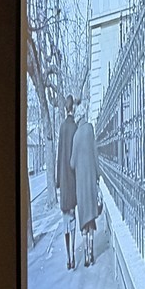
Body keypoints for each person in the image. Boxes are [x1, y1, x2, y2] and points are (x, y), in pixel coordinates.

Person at [71, 101, 101, 268]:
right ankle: (91, 251)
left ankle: (86, 256)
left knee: (84, 220)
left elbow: (72, 163)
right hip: (90, 182)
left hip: (80, 186)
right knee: (91, 219)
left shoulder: (75, 136)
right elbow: (95, 153)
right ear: (84, 115)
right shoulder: (90, 129)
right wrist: (97, 174)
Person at [57, 96, 79, 270]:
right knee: (73, 217)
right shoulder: (75, 127)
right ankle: (73, 252)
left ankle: (68, 257)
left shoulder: (62, 127)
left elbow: (59, 157)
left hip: (64, 181)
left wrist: (58, 181)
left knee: (65, 220)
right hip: (73, 179)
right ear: (74, 109)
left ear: (66, 109)